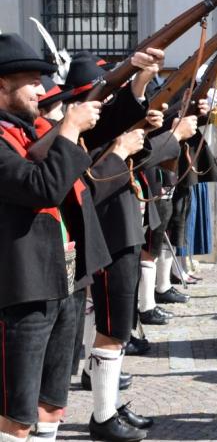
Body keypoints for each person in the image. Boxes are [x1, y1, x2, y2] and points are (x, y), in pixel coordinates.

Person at [0, 33, 106, 442]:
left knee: (51, 400)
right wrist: (68, 130)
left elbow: (106, 129)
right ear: (3, 86)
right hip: (25, 286)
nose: (41, 90)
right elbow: (40, 187)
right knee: (16, 411)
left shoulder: (35, 129)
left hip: (65, 276)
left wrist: (137, 80)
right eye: (31, 82)